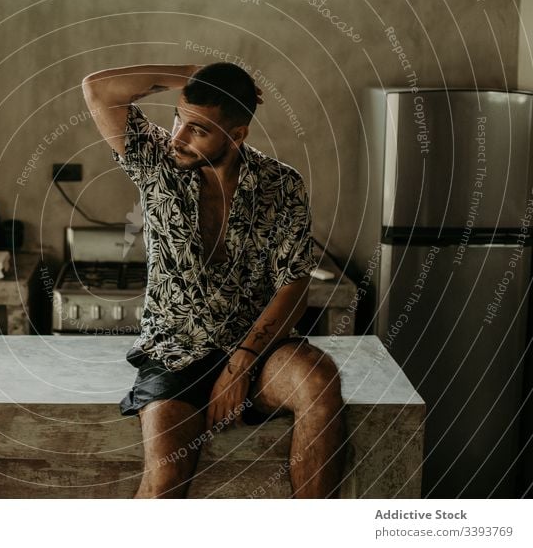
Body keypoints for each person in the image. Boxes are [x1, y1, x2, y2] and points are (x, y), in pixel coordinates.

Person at [82, 62, 345, 499]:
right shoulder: (156, 163)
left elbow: (293, 288)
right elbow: (97, 87)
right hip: (174, 352)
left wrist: (240, 364)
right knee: (165, 476)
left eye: (198, 129)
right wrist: (190, 74)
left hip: (259, 352)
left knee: (319, 381)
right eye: (177, 119)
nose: (179, 137)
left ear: (236, 135)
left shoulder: (280, 185)